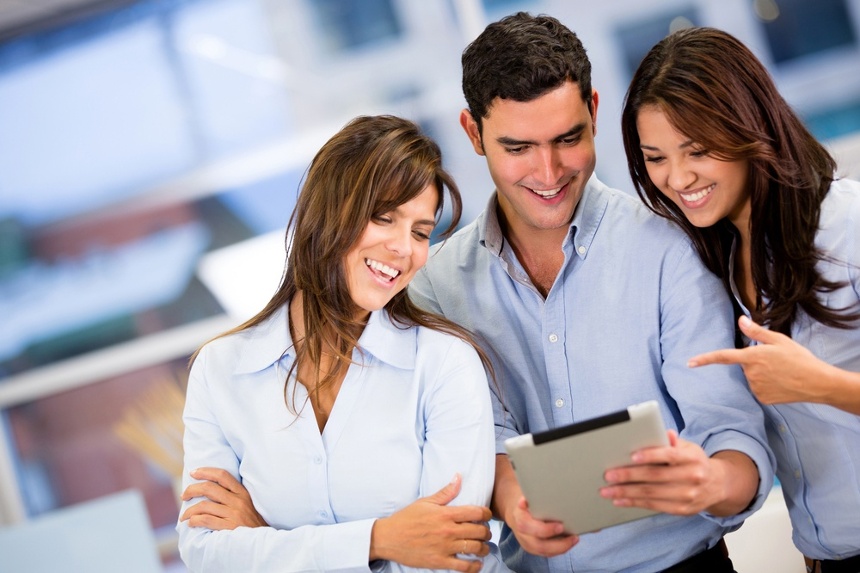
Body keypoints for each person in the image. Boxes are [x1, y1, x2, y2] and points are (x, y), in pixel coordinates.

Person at [408, 11, 775, 573]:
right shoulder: (436, 286)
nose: (549, 171)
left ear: (595, 113)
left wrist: (711, 480)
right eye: (519, 147)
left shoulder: (672, 248)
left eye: (567, 139)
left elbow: (733, 436)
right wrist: (512, 502)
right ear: (472, 134)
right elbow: (478, 441)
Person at [176, 114, 511, 573]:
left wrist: (263, 541)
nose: (403, 248)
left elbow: (448, 559)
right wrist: (382, 539)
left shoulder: (445, 364)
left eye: (420, 231)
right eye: (384, 218)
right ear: (329, 211)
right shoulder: (220, 370)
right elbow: (206, 555)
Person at [621, 26, 860, 573]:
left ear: (750, 128)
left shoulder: (847, 225)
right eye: (655, 157)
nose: (677, 178)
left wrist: (820, 384)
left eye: (698, 150)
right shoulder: (722, 260)